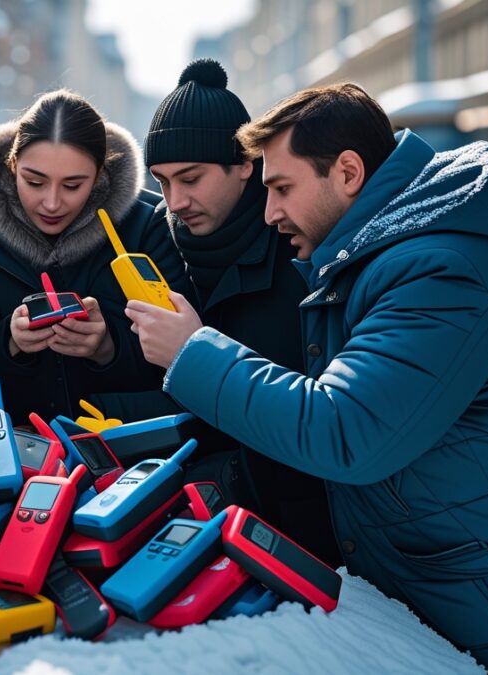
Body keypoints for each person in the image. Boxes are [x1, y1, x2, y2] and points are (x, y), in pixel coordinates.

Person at [126, 83, 488, 672]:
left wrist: (193, 353)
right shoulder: (393, 249)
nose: (270, 211)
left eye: (281, 188)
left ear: (349, 172)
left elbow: (346, 428)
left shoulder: (439, 269)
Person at [143, 59, 337, 566]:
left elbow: (322, 416)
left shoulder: (300, 247)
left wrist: (195, 350)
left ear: (245, 164)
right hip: (197, 522)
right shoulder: (155, 244)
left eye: (190, 178)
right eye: (161, 181)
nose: (174, 201)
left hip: (303, 539)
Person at [0, 90, 189, 423]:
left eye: (72, 185)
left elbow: (181, 370)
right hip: (13, 459)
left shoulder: (145, 228)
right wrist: (9, 342)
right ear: (12, 165)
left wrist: (107, 347)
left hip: (129, 453)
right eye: (34, 182)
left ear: (100, 174)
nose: (52, 203)